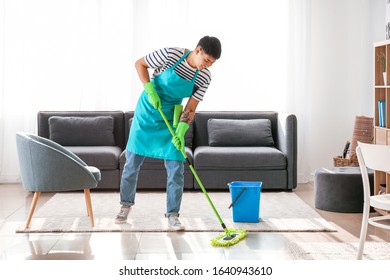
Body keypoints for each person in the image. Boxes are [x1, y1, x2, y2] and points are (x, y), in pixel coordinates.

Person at [115, 36, 222, 230]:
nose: (207, 66)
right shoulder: (171, 54)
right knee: (132, 163)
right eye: (206, 60)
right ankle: (125, 205)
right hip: (147, 111)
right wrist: (149, 89)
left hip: (171, 117)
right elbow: (140, 64)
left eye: (212, 63)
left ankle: (173, 214)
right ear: (197, 50)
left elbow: (190, 107)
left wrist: (181, 131)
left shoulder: (204, 77)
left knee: (176, 167)